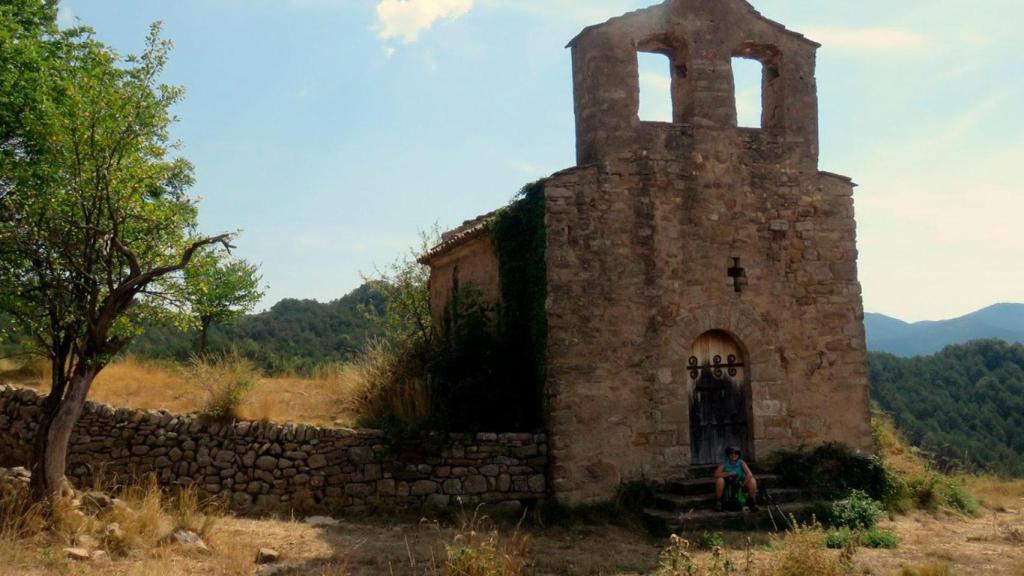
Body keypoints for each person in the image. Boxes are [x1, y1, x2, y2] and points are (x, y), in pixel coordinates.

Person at [714, 445, 758, 512]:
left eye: (736, 453)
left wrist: (743, 484)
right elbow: (716, 474)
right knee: (719, 480)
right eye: (731, 453)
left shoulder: (741, 462)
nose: (734, 455)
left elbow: (749, 474)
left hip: (740, 482)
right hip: (729, 482)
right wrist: (728, 473)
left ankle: (752, 501)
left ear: (738, 454)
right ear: (728, 454)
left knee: (752, 481)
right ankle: (719, 502)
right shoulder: (724, 464)